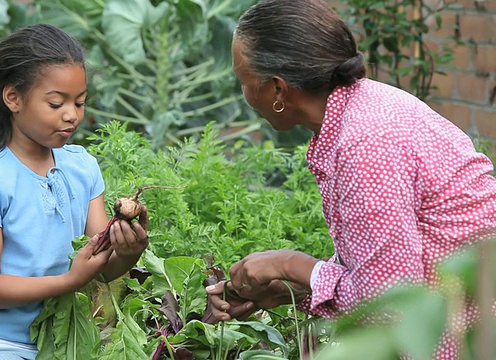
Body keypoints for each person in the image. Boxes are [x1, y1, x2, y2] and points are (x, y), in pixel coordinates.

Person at [204, 0, 496, 358]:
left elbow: (391, 307)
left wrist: (289, 264)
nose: (244, 94)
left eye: (244, 81)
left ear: (278, 90)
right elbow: (383, 271)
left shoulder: (365, 145)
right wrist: (288, 290)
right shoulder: (366, 106)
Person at [0, 24, 149, 360]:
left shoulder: (82, 167)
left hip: (60, 338)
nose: (71, 115)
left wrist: (128, 251)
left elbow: (101, 265)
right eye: (56, 103)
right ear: (13, 98)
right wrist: (70, 281)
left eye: (79, 103)